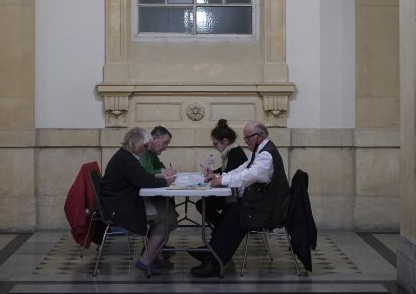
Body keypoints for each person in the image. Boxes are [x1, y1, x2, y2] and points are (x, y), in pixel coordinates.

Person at [190, 120, 289, 278]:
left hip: (267, 208)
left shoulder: (266, 155)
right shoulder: (259, 152)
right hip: (259, 204)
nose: (245, 141)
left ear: (258, 136)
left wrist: (222, 180)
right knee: (230, 211)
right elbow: (241, 169)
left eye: (247, 138)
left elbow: (251, 175)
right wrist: (219, 176)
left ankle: (215, 264)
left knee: (235, 216)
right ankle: (211, 254)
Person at [100, 127, 178, 275]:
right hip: (120, 208)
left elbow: (144, 178)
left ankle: (154, 253)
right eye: (146, 147)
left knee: (168, 210)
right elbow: (147, 181)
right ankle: (145, 260)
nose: (147, 150)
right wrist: (167, 182)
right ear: (139, 146)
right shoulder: (128, 160)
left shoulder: (126, 156)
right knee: (167, 216)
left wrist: (161, 180)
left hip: (122, 202)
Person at [195, 119, 248, 231]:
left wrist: (215, 176)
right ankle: (222, 230)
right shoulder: (232, 151)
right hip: (233, 193)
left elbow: (228, 173)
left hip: (238, 197)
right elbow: (227, 170)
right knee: (204, 203)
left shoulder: (234, 152)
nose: (215, 147)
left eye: (216, 144)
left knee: (203, 204)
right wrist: (213, 172)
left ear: (225, 141)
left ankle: (223, 230)